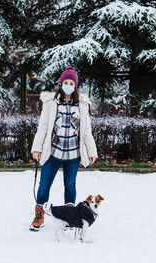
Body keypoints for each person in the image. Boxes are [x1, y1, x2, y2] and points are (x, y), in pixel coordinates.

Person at [29, 66, 98, 231]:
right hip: (53, 152)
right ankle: (39, 215)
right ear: (61, 84)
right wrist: (36, 148)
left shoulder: (82, 104)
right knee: (44, 184)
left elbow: (86, 130)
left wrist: (91, 151)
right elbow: (43, 127)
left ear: (75, 85)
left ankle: (69, 217)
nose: (68, 84)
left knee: (70, 185)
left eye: (71, 82)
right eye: (65, 82)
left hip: (73, 153)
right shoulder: (51, 103)